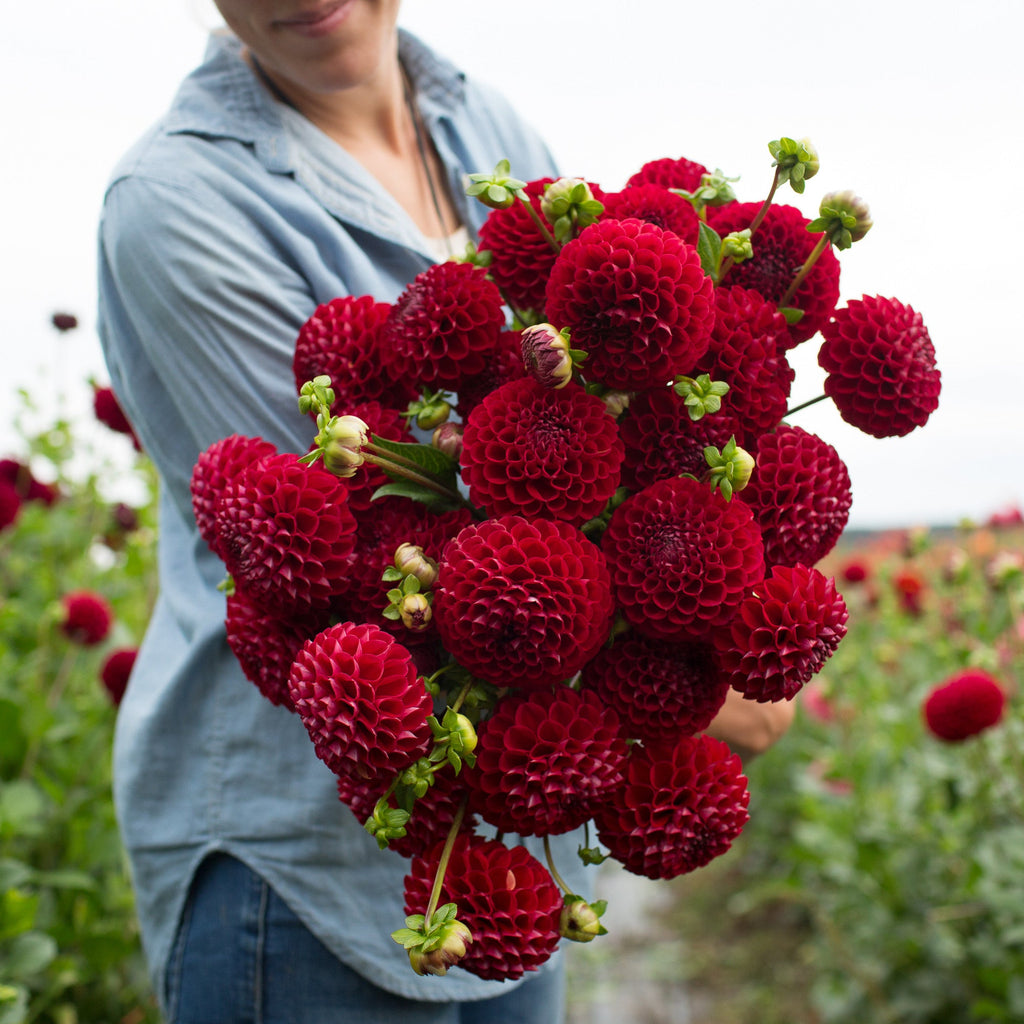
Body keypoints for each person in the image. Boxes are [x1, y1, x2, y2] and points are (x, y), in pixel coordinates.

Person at [97, 4, 794, 1021]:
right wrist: (703, 688)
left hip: (513, 846)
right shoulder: (177, 204)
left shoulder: (488, 129)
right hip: (298, 881)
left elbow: (619, 419)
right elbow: (340, 564)